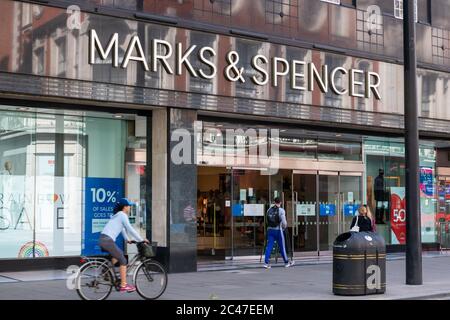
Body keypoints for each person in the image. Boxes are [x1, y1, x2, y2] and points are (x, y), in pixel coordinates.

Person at [99, 198, 149, 293]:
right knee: (123, 260)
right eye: (128, 205)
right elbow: (130, 229)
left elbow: (122, 229)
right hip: (107, 240)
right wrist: (141, 240)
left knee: (119, 254)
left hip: (103, 239)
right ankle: (123, 285)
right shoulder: (122, 215)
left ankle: (105, 271)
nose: (130, 207)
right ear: (124, 207)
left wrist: (127, 239)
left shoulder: (117, 215)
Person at [263, 197, 295, 269]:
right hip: (278, 231)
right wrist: (284, 227)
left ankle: (266, 263)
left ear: (274, 202)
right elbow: (284, 222)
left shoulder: (269, 210)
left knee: (269, 246)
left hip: (270, 230)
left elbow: (267, 221)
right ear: (280, 202)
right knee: (282, 247)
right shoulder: (281, 210)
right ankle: (286, 262)